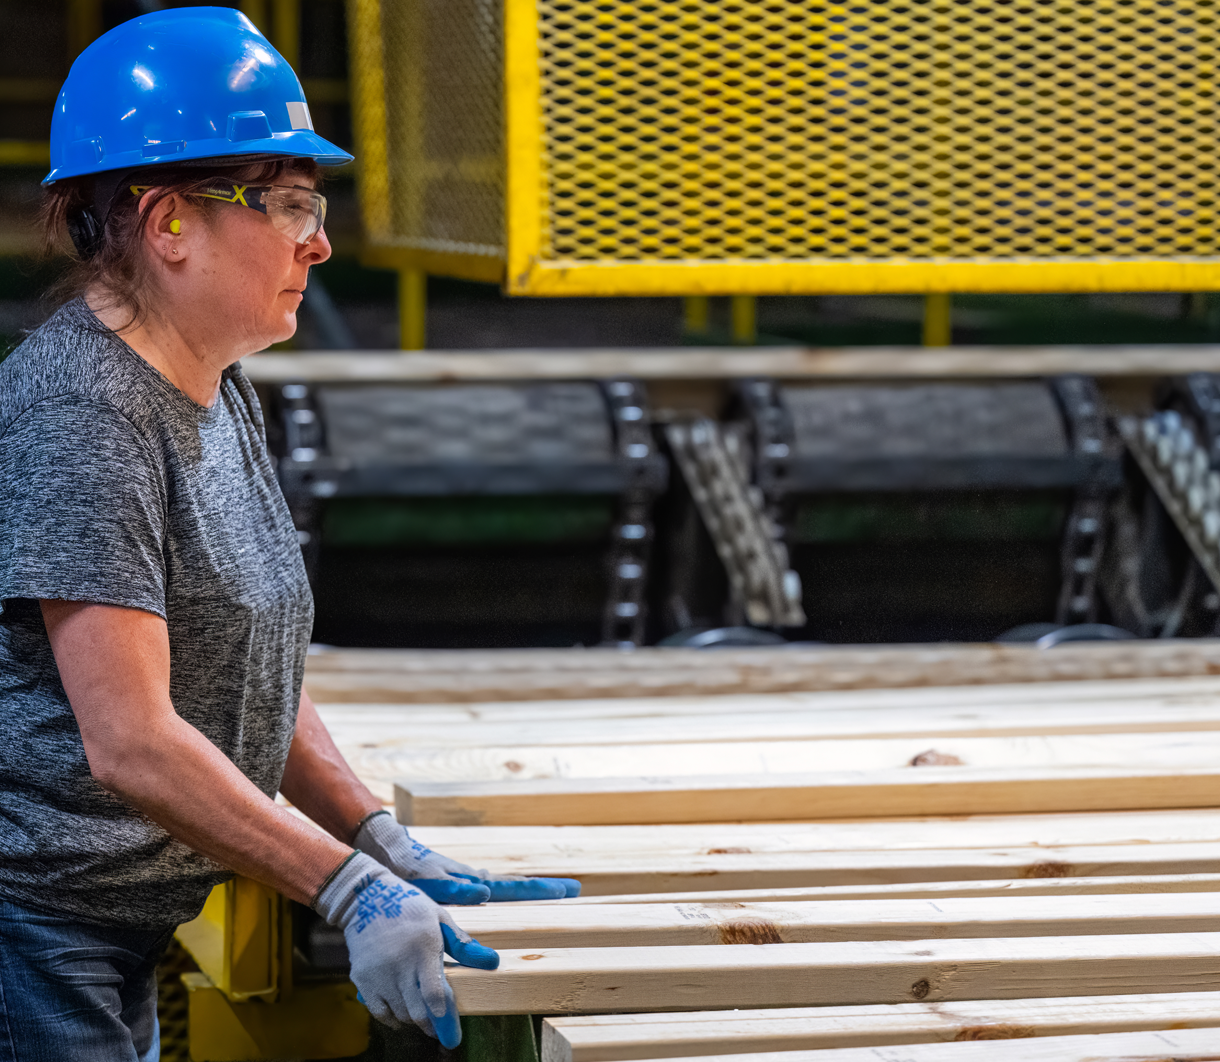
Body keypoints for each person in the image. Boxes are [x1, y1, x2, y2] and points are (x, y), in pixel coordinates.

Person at [0, 9, 577, 1061]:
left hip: (111, 919)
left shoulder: (213, 381)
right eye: (288, 203)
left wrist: (367, 829)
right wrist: (342, 885)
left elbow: (241, 649)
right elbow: (128, 736)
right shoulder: (85, 413)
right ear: (169, 222)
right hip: (31, 933)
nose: (318, 238)